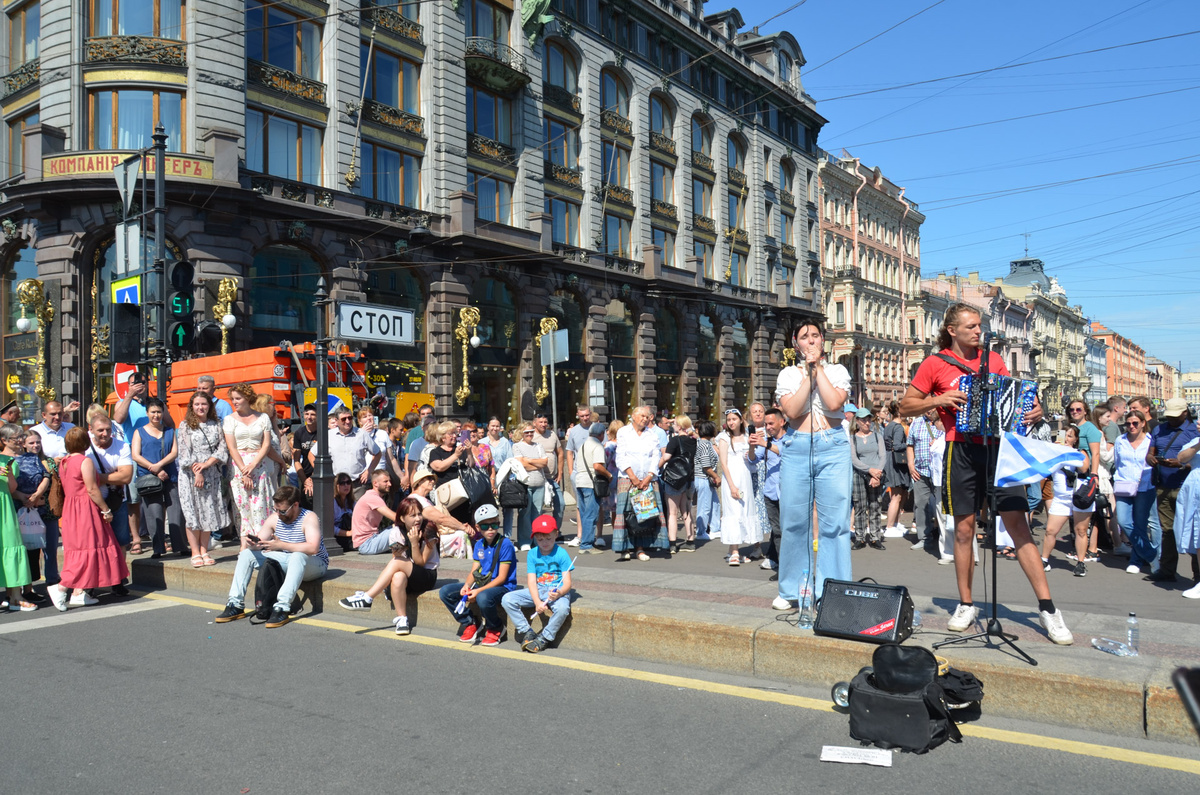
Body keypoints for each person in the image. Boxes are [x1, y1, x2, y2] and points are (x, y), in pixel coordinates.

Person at [900, 303, 1072, 645]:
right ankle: (965, 604)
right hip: (959, 450)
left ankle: (1049, 608)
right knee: (963, 531)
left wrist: (1034, 408)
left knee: (1019, 527)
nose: (980, 331)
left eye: (980, 325)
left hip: (997, 450)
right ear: (952, 330)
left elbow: (1013, 400)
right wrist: (940, 399)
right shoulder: (934, 364)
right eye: (972, 326)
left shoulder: (992, 360)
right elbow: (906, 405)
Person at [775, 320, 852, 611]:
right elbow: (792, 410)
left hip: (832, 446)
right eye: (805, 337)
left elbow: (834, 404)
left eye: (815, 336)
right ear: (796, 343)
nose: (811, 341)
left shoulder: (837, 371)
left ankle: (835, 587)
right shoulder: (787, 374)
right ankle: (793, 589)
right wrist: (807, 375)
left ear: (823, 341)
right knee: (794, 521)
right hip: (797, 447)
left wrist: (817, 368)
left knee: (835, 523)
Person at [213, 486, 328, 628]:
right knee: (246, 555)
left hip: (314, 563)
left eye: (283, 511)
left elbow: (312, 548)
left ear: (296, 505)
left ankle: (282, 607)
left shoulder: (309, 517)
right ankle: (235, 604)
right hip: (287, 560)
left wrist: (281, 545)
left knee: (298, 556)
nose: (279, 514)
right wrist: (251, 544)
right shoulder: (275, 518)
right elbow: (261, 540)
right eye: (276, 510)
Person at [45, 427, 128, 611]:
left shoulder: (64, 461)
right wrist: (106, 509)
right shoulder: (85, 461)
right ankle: (61, 588)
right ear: (86, 443)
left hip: (71, 509)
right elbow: (91, 489)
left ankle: (79, 592)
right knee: (89, 548)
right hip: (85, 508)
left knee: (79, 549)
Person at [340, 499, 441, 634]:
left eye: (419, 514)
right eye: (412, 515)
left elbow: (420, 563)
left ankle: (368, 597)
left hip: (426, 576)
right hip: (407, 574)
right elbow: (397, 556)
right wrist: (404, 548)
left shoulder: (429, 531)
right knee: (398, 576)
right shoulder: (396, 532)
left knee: (398, 562)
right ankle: (402, 620)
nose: (418, 519)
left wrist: (414, 543)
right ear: (402, 518)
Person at [438, 503, 517, 646]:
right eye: (485, 526)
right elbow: (474, 571)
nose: (491, 529)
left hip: (502, 586)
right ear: (478, 528)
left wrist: (478, 590)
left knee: (483, 597)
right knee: (446, 592)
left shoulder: (505, 544)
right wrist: (467, 586)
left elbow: (502, 578)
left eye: (494, 524)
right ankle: (470, 622)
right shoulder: (479, 544)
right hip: (483, 584)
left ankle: (496, 627)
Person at [501, 515, 574, 653]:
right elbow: (531, 581)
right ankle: (526, 630)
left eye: (549, 538)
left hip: (556, 591)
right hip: (538, 589)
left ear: (556, 534)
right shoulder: (532, 554)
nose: (545, 542)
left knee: (563, 609)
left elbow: (568, 583)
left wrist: (559, 593)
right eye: (540, 539)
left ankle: (545, 637)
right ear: (535, 538)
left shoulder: (562, 553)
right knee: (507, 599)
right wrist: (537, 602)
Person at [1147, 397, 1199, 583]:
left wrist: (1181, 464)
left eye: (1175, 416)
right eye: (1169, 416)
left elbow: (1196, 461)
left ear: (1185, 413)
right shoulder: (1158, 429)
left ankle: (1197, 574)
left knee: (1194, 531)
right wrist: (1151, 459)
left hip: (1186, 489)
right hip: (1163, 487)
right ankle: (1167, 570)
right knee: (1167, 530)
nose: (1171, 419)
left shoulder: (1193, 431)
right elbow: (1150, 453)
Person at [176, 391, 229, 567]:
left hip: (211, 473)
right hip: (190, 474)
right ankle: (195, 551)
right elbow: (184, 453)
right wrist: (198, 470)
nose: (200, 407)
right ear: (192, 406)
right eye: (197, 404)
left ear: (209, 406)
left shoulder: (216, 425)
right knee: (192, 513)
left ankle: (204, 550)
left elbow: (222, 450)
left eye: (204, 404)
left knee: (208, 511)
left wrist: (207, 465)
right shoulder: (185, 426)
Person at [130, 398, 184, 559]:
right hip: (148, 477)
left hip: (170, 475)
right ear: (147, 413)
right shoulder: (138, 432)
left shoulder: (169, 431)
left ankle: (180, 545)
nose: (156, 415)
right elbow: (135, 455)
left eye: (159, 412)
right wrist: (154, 469)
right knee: (154, 513)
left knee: (176, 511)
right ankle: (157, 548)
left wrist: (159, 465)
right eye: (153, 412)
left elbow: (174, 452)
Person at [1036, 425, 1094, 576]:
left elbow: (1084, 467)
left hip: (1078, 497)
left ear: (1075, 439)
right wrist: (1054, 451)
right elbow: (1043, 467)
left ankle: (1080, 563)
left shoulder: (1079, 453)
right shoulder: (1055, 453)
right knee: (1050, 531)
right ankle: (1044, 559)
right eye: (1064, 435)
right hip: (1060, 498)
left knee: (1081, 530)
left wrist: (1068, 452)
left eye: (1070, 436)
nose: (1066, 438)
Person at [613, 406, 668, 561]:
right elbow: (621, 456)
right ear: (633, 416)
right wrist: (634, 478)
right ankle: (625, 548)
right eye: (642, 416)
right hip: (627, 478)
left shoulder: (652, 434)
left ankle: (641, 548)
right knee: (626, 513)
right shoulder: (623, 432)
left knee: (645, 514)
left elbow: (656, 456)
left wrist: (648, 477)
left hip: (648, 479)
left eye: (647, 416)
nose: (645, 419)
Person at [223, 384, 276, 544]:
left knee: (261, 504)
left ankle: (262, 540)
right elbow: (231, 447)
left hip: (258, 463)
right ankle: (245, 544)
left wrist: (253, 465)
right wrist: (244, 470)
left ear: (247, 398)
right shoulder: (229, 419)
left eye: (238, 398)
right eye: (232, 399)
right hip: (239, 465)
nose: (234, 402)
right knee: (242, 507)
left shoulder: (263, 418)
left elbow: (266, 445)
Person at [1113, 409, 1157, 576]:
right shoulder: (1120, 440)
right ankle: (1152, 555)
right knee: (1124, 522)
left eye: (1135, 423)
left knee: (1140, 524)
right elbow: (1118, 462)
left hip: (1145, 486)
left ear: (1143, 423)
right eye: (1128, 423)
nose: (1131, 426)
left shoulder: (1150, 440)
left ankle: (1136, 561)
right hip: (1124, 484)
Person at [716, 408, 761, 566]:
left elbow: (752, 458)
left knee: (745, 511)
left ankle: (734, 550)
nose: (731, 422)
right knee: (732, 512)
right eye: (729, 420)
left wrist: (751, 447)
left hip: (745, 478)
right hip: (731, 479)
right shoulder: (723, 437)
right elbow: (723, 463)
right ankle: (734, 550)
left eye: (734, 419)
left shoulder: (747, 436)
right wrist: (732, 486)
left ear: (741, 420)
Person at [85, 414, 134, 559]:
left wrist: (95, 478)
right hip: (91, 502)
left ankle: (120, 578)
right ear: (91, 429)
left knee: (120, 542)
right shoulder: (85, 446)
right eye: (100, 430)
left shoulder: (122, 446)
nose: (105, 434)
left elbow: (126, 477)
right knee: (95, 543)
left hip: (117, 502)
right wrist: (114, 475)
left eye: (108, 430)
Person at [113, 372, 152, 548]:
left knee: (153, 496)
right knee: (134, 499)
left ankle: (155, 535)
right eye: (134, 383)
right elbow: (118, 418)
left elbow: (169, 422)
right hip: (132, 455)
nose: (139, 385)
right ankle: (136, 538)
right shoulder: (123, 402)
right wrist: (130, 395)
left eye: (143, 382)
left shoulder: (153, 403)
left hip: (152, 453)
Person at [311, 407, 381, 498]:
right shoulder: (329, 435)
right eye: (344, 419)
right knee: (335, 511)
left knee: (358, 511)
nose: (347, 421)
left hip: (357, 484)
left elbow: (378, 453)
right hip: (336, 485)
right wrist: (321, 470)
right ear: (336, 420)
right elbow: (311, 454)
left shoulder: (362, 434)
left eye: (350, 418)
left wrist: (369, 471)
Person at [0, 424, 33, 610]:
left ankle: (15, 596)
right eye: (16, 437)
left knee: (11, 547)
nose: (20, 441)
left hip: (5, 508)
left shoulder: (9, 461)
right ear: (4, 440)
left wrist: (10, 473)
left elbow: (11, 489)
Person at [660, 415, 697, 555]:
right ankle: (690, 541)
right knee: (686, 510)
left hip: (675, 480)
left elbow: (667, 457)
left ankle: (673, 544)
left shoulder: (675, 440)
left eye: (674, 423)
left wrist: (656, 467)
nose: (672, 425)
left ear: (680, 426)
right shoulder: (693, 440)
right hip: (689, 479)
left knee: (672, 513)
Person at [850, 408, 886, 550]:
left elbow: (883, 456)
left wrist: (877, 473)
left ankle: (875, 537)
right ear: (857, 421)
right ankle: (860, 537)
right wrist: (869, 470)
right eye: (863, 420)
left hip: (876, 474)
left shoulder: (878, 436)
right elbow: (853, 458)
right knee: (859, 506)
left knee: (875, 505)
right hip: (860, 474)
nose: (867, 423)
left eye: (869, 419)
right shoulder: (852, 438)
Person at [513, 422, 552, 551]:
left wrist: (528, 460)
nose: (529, 434)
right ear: (522, 433)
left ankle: (536, 540)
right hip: (526, 485)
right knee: (525, 513)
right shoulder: (517, 446)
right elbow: (521, 464)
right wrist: (536, 463)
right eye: (526, 432)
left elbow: (545, 462)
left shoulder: (538, 446)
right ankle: (524, 540)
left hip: (539, 484)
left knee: (537, 514)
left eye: (531, 432)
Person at [906, 408, 941, 552]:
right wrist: (910, 465)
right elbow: (910, 445)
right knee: (920, 504)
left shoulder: (943, 422)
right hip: (920, 471)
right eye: (927, 407)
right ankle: (924, 538)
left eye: (932, 407)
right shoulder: (916, 423)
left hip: (939, 471)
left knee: (941, 505)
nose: (930, 410)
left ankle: (945, 539)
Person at [572, 422, 610, 554]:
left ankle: (585, 541)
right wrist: (609, 475)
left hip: (580, 481)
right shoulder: (597, 446)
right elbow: (597, 466)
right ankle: (586, 545)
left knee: (584, 514)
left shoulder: (583, 445)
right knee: (591, 514)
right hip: (591, 483)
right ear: (601, 434)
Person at [755, 408, 785, 571]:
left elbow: (785, 453)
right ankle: (781, 566)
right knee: (777, 531)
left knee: (788, 531)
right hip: (770, 492)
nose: (768, 427)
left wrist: (766, 444)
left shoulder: (790, 438)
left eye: (771, 423)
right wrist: (752, 446)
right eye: (766, 424)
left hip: (788, 493)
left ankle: (787, 566)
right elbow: (753, 459)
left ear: (782, 422)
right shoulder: (765, 441)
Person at [563, 404, 594, 546]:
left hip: (594, 472)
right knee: (579, 505)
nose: (585, 418)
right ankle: (580, 534)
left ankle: (597, 535)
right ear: (577, 415)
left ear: (590, 414)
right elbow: (569, 451)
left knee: (595, 505)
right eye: (582, 416)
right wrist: (570, 471)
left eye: (587, 415)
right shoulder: (574, 431)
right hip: (579, 473)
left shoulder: (597, 428)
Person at [351, 469, 399, 554]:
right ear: (375, 483)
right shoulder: (373, 498)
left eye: (389, 481)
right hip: (367, 544)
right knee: (399, 529)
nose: (390, 484)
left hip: (372, 539)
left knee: (397, 527)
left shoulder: (373, 496)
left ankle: (400, 549)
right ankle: (403, 549)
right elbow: (395, 517)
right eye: (386, 482)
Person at [880, 402, 910, 538]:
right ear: (899, 412)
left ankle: (894, 524)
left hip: (889, 459)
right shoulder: (898, 427)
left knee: (897, 494)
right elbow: (897, 446)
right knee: (896, 496)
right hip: (896, 462)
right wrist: (909, 443)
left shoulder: (888, 426)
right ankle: (890, 526)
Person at [530, 412, 564, 528]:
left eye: (545, 422)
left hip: (552, 478)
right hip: (537, 478)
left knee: (561, 504)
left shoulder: (552, 434)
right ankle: (537, 531)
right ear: (535, 423)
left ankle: (556, 531)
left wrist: (560, 472)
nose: (543, 424)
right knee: (537, 508)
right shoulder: (531, 436)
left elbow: (560, 453)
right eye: (541, 422)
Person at [692, 419, 721, 546]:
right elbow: (706, 465)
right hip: (703, 478)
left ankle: (715, 528)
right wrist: (716, 476)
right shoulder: (704, 444)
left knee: (715, 504)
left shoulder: (706, 443)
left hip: (706, 479)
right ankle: (701, 531)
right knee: (704, 506)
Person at [291, 404, 319, 508]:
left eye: (313, 414)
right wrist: (305, 480)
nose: (309, 417)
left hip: (319, 473)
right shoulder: (299, 433)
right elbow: (296, 460)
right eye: (307, 414)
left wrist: (313, 478)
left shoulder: (324, 432)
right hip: (305, 473)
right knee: (306, 501)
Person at [331, 473, 357, 551]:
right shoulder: (333, 502)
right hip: (338, 538)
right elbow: (329, 528)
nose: (346, 485)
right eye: (342, 483)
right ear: (336, 485)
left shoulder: (352, 502)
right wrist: (348, 533)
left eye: (348, 482)